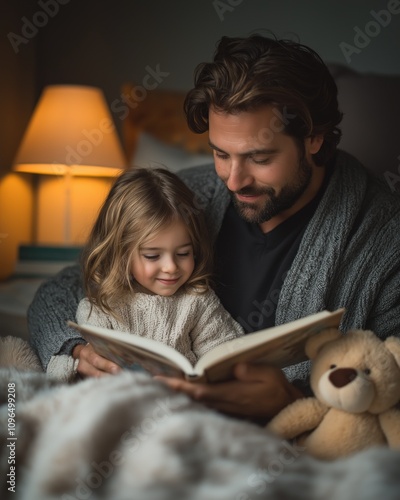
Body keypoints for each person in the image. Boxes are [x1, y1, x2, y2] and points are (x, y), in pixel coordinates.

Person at [29, 34, 400, 421]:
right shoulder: (187, 198)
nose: (234, 180)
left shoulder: (384, 238)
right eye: (221, 153)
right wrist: (74, 348)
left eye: (259, 157)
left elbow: (388, 383)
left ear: (314, 139)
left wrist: (295, 399)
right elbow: (61, 290)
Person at [45, 166, 244, 380]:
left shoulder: (198, 302)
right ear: (121, 254)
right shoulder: (102, 307)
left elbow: (225, 355)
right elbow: (85, 367)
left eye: (184, 253)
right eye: (152, 256)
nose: (170, 267)